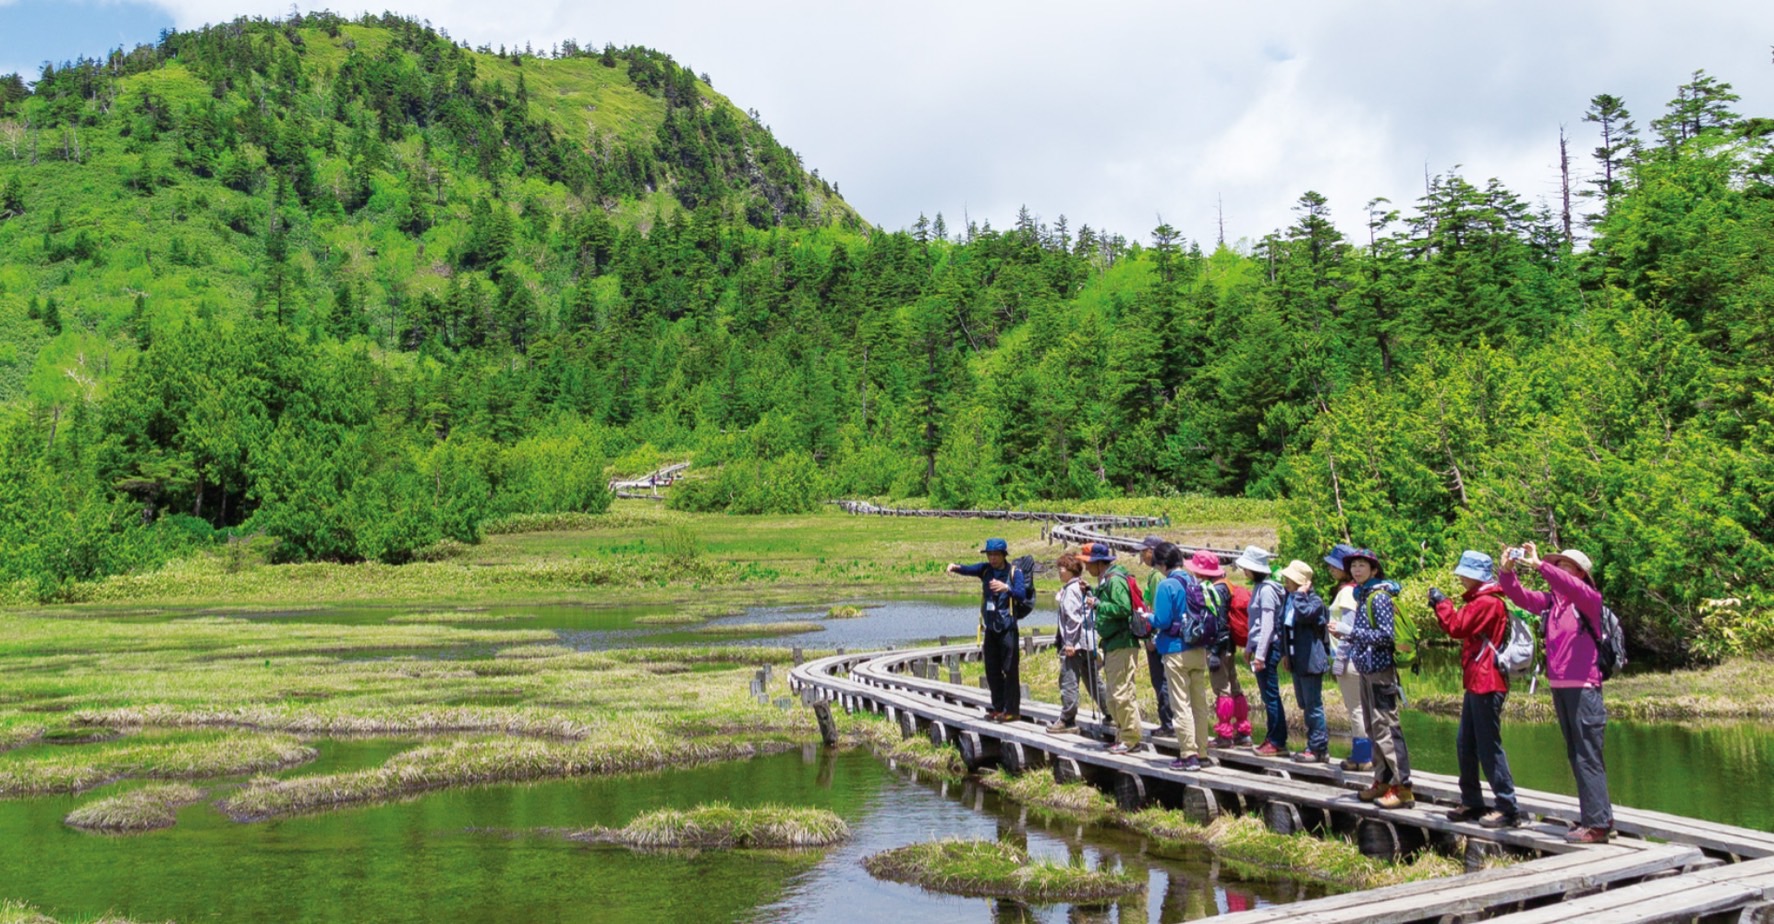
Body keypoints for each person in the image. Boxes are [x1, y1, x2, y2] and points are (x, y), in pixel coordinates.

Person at [1500, 541, 1614, 843]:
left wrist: (1540, 566)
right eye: (1557, 565)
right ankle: (1593, 816)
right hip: (1560, 686)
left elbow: (1566, 584)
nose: (1558, 570)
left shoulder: (1588, 599)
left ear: (1579, 573)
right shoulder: (1553, 603)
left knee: (1588, 754)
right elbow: (1520, 597)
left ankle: (1599, 824)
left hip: (1585, 687)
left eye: (1564, 566)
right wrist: (1507, 571)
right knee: (1576, 754)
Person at [1432, 550, 1521, 829]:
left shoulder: (1487, 603)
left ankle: (1508, 808)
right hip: (1477, 681)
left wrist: (1441, 604)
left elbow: (1456, 627)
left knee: (1488, 747)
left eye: (1463, 573)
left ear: (1474, 576)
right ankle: (1472, 801)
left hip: (1488, 681)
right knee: (1465, 744)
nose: (1459, 577)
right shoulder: (1482, 599)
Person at [1330, 549, 1412, 809]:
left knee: (1387, 727)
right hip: (1365, 670)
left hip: (1380, 671)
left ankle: (1403, 787)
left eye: (1362, 565)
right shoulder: (1362, 594)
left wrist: (1349, 632)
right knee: (1372, 726)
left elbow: (1386, 636)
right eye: (1353, 565)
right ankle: (1382, 780)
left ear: (1374, 570)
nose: (1356, 570)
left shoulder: (1378, 597)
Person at [946, 538, 1033, 723]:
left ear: (1003, 555)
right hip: (991, 628)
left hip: (1008, 628)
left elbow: (1021, 595)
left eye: (995, 555)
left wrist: (1006, 588)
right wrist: (954, 567)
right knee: (992, 670)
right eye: (990, 554)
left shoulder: (1014, 572)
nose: (992, 558)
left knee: (1010, 670)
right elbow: (968, 569)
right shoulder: (985, 570)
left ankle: (1012, 710)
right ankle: (998, 707)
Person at [1151, 542, 1214, 771]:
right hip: (1198, 648)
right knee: (1199, 703)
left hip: (1176, 650)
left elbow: (1163, 620)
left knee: (1181, 703)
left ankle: (1188, 754)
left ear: (1161, 564)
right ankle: (1203, 751)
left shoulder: (1167, 585)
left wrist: (1148, 618)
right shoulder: (1193, 580)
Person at [1084, 542, 1145, 754]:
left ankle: (1131, 739)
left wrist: (1098, 604)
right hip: (1112, 643)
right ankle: (1122, 735)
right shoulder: (1106, 581)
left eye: (1088, 564)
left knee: (1122, 693)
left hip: (1122, 643)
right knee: (1113, 694)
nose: (1086, 568)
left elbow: (1123, 608)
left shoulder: (1114, 581)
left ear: (1099, 563)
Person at [1186, 551, 1251, 748]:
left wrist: (1214, 652)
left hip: (1219, 645)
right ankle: (1243, 730)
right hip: (1229, 643)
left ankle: (1225, 734)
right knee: (1234, 685)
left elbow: (1218, 622)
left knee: (1222, 688)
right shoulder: (1227, 585)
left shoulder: (1214, 591)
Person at [1323, 543, 1372, 771]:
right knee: (1362, 709)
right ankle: (1363, 754)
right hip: (1356, 658)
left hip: (1350, 659)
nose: (1331, 569)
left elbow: (1348, 629)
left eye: (1336, 565)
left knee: (1356, 710)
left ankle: (1362, 757)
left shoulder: (1346, 592)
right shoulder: (1356, 591)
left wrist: (1340, 662)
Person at [1048, 551, 1106, 735]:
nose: (1059, 571)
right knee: (1092, 679)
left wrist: (1070, 643)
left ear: (1071, 570)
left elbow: (1073, 619)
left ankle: (1068, 718)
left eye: (1062, 568)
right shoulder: (1080, 587)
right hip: (1087, 642)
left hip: (1076, 644)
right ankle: (1110, 712)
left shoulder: (1072, 590)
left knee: (1069, 680)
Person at [1280, 560, 1331, 763]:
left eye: (1290, 579)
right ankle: (1313, 744)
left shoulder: (1313, 601)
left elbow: (1303, 616)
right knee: (1304, 704)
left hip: (1311, 661)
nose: (1286, 582)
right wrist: (1285, 654)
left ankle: (1318, 748)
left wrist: (1301, 593)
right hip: (1296, 660)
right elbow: (1284, 627)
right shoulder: (1290, 599)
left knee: (1313, 705)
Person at [1238, 546, 1287, 756]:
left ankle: (1277, 740)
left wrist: (1259, 655)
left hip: (1267, 648)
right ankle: (1272, 737)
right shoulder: (1260, 587)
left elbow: (1267, 625)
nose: (1244, 572)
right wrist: (1249, 647)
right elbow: (1255, 623)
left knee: (1271, 695)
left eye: (1246, 568)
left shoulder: (1267, 590)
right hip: (1260, 646)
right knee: (1268, 696)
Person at [1139, 535, 1176, 736]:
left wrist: (1150, 638)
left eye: (1143, 551)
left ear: (1153, 551)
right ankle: (1168, 723)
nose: (1141, 555)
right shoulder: (1161, 575)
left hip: (1158, 637)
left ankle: (1167, 724)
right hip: (1168, 638)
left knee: (1160, 680)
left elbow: (1155, 609)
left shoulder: (1156, 577)